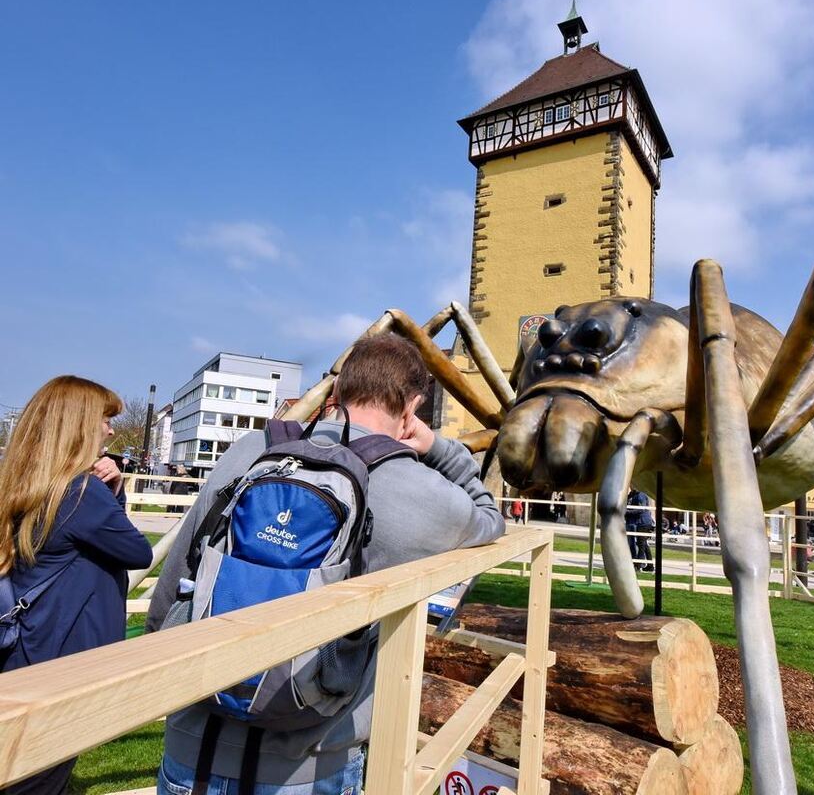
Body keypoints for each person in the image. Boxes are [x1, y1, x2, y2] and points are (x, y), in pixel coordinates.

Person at [147, 334, 505, 795]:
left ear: (336, 394)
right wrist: (437, 446)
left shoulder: (251, 449)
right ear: (412, 406)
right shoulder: (425, 496)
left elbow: (177, 579)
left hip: (193, 749)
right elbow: (490, 516)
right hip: (309, 765)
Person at [0, 376, 153, 795]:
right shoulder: (83, 491)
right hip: (63, 656)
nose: (110, 430)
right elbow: (138, 552)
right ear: (79, 425)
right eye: (104, 419)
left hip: (26, 647)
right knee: (38, 776)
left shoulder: (28, 481)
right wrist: (116, 492)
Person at [624, 490, 654, 573]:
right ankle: (650, 566)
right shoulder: (633, 495)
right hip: (641, 522)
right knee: (644, 544)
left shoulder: (641, 495)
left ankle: (639, 565)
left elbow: (641, 509)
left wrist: (627, 512)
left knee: (641, 544)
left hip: (643, 522)